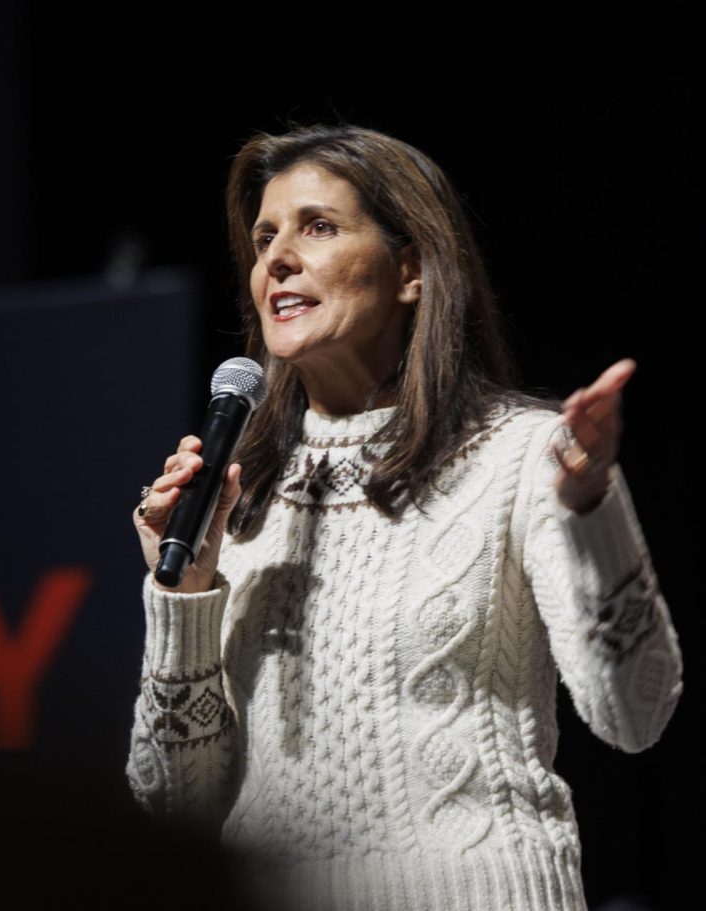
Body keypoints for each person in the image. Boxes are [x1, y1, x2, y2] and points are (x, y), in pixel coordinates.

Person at [125, 124, 683, 911]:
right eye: (264, 237)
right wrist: (184, 593)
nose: (276, 258)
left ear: (412, 270)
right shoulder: (233, 495)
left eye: (317, 227)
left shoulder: (522, 456)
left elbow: (638, 709)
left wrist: (591, 507)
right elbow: (172, 813)